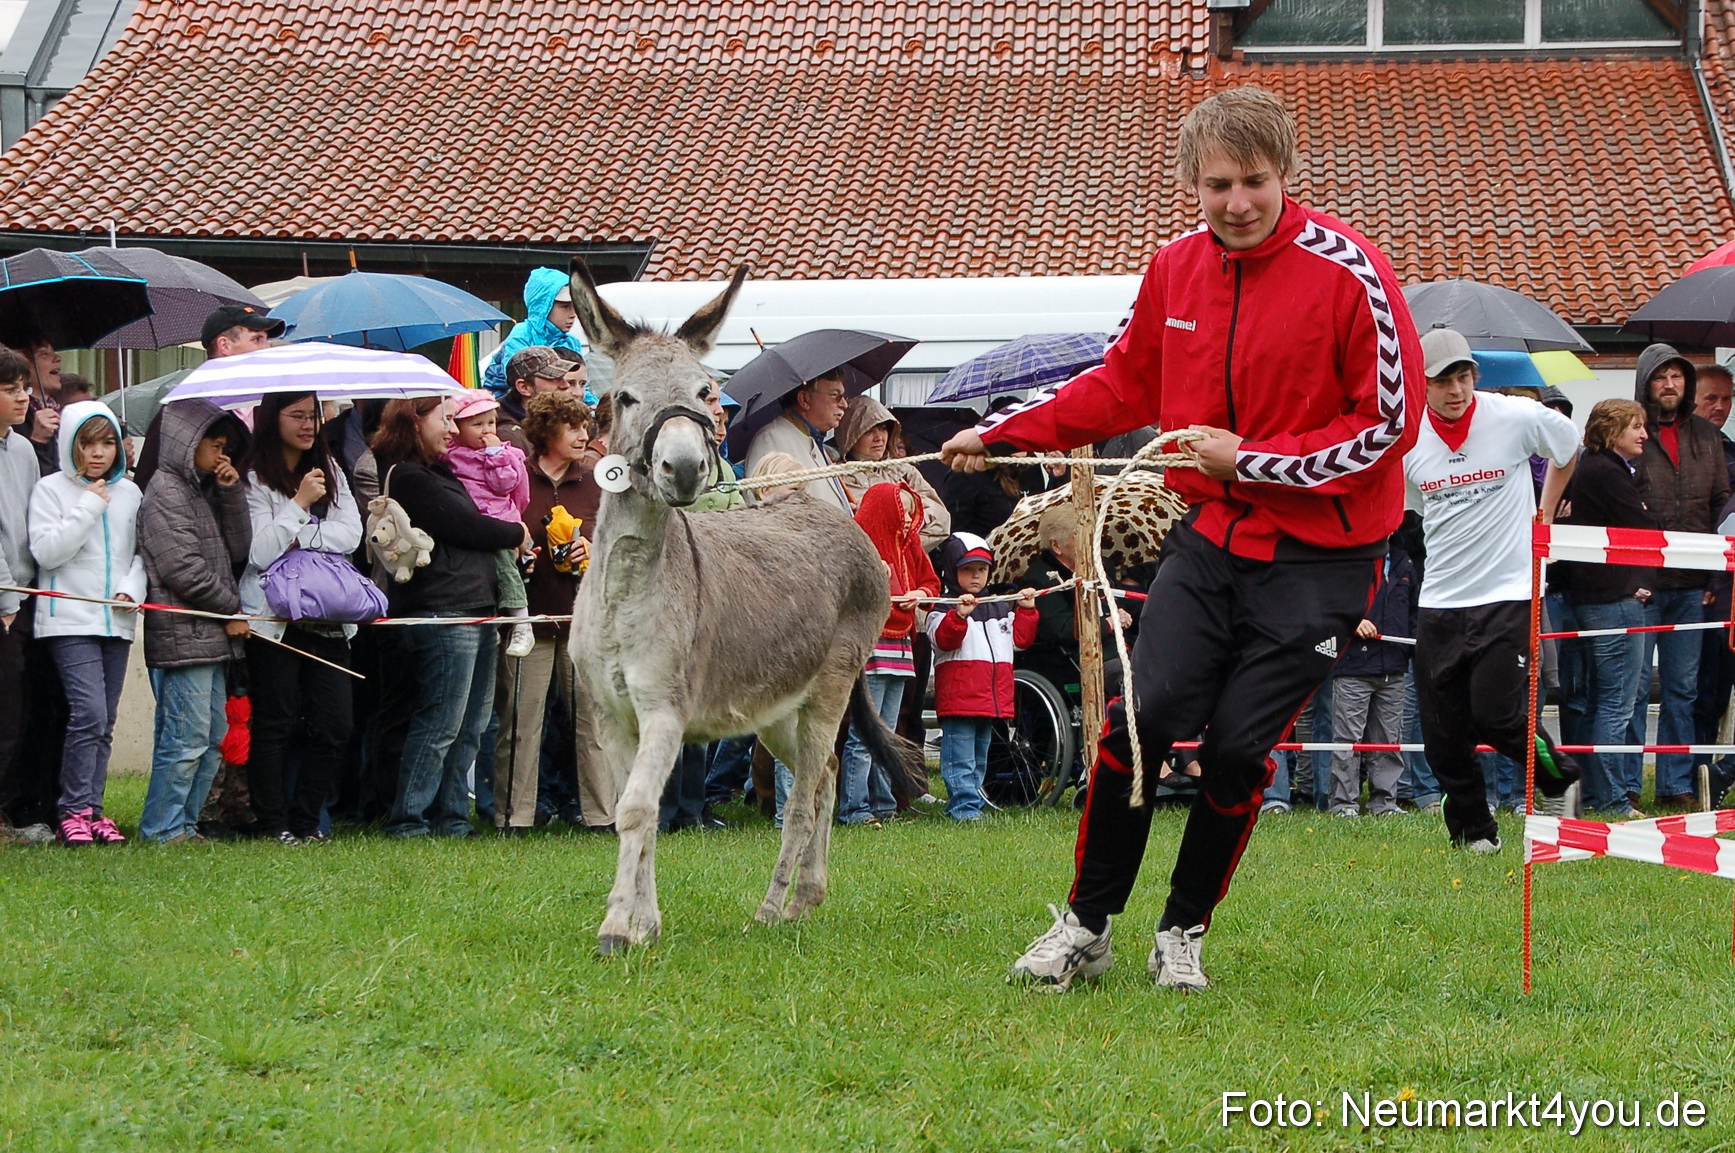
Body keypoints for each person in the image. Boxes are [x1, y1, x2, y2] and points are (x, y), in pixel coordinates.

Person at [940, 86, 1424, 992]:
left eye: (1252, 182)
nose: (1235, 203)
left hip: (1324, 556)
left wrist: (1252, 462)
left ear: (1285, 174)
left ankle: (1182, 931)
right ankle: (1085, 924)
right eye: (1216, 186)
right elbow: (1120, 384)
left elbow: (1389, 426)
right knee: (1140, 717)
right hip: (1207, 536)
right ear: (1190, 185)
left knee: (1239, 749)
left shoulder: (1352, 271)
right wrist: (1005, 433)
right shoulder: (1173, 269)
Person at [1405, 328, 1582, 847]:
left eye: (1463, 377)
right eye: (1442, 381)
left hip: (1509, 592)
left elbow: (1567, 447)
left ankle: (1557, 779)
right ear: (1422, 385)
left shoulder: (1514, 415)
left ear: (1475, 377)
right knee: (1441, 734)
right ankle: (1474, 832)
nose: (1456, 389)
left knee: (1497, 715)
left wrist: (1543, 511)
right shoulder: (1408, 437)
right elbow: (1414, 507)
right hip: (1439, 599)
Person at [372, 397, 529, 838]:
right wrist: (516, 531)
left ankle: (452, 817)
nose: (450, 429)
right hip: (442, 608)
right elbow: (464, 526)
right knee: (441, 721)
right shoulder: (408, 475)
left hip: (477, 606)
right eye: (443, 419)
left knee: (472, 725)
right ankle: (409, 819)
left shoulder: (439, 471)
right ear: (414, 422)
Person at [240, 392, 366, 845]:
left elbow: (350, 534)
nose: (309, 424)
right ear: (273, 420)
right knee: (275, 721)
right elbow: (259, 552)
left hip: (327, 615)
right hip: (274, 619)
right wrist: (299, 503)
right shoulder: (254, 478)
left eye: (313, 414)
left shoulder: (330, 470)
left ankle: (307, 819)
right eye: (296, 416)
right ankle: (272, 823)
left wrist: (301, 533)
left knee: (335, 725)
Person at [137, 400, 253, 843]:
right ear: (188, 443)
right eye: (215, 445)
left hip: (210, 635)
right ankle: (162, 830)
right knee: (184, 740)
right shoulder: (165, 490)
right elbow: (181, 568)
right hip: (183, 636)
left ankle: (184, 825)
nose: (222, 455)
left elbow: (238, 549)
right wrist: (232, 610)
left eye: (226, 447)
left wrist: (230, 491)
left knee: (212, 738)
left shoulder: (202, 490)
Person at [28, 403, 143, 845]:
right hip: (68, 620)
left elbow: (139, 554)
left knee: (105, 719)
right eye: (88, 444)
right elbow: (47, 553)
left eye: (107, 442)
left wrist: (132, 590)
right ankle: (72, 809)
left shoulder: (132, 493)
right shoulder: (50, 490)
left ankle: (95, 811)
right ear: (71, 446)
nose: (98, 454)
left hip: (116, 620)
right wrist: (88, 507)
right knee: (88, 713)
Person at [1628, 344, 1730, 809]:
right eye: (1660, 377)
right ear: (1646, 382)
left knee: (1682, 691)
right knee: (1631, 692)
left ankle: (1675, 785)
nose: (1669, 385)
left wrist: (1715, 574)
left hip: (1694, 585)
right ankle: (1626, 784)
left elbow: (1719, 507)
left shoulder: (1707, 437)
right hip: (1640, 586)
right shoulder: (1630, 433)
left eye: (1677, 376)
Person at [491, 391, 596, 835]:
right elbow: (497, 533)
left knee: (594, 722)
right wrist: (519, 555)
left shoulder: (596, 481)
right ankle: (514, 816)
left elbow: (621, 543)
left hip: (584, 620)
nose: (583, 435)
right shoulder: (517, 477)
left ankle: (601, 814)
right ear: (546, 431)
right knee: (520, 721)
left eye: (585, 426)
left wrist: (593, 548)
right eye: (572, 426)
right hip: (528, 619)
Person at [1556, 399, 1657, 818]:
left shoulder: (1594, 470)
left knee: (1600, 701)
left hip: (1594, 598)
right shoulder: (1605, 472)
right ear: (1612, 429)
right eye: (1636, 426)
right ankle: (1613, 798)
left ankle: (1598, 794)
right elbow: (1644, 526)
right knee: (1618, 700)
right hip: (1611, 601)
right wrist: (1646, 516)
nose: (1644, 435)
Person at [837, 482, 939, 826]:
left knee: (889, 729)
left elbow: (932, 583)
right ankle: (855, 808)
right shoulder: (858, 543)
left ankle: (884, 804)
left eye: (912, 512)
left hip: (902, 643)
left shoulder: (909, 543)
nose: (910, 519)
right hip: (873, 642)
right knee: (865, 731)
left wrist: (918, 593)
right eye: (903, 511)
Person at [928, 533, 1038, 820]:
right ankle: (963, 806)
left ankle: (973, 800)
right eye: (967, 570)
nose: (976, 576)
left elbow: (1020, 641)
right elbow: (943, 640)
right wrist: (959, 616)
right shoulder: (943, 605)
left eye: (981, 569)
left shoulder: (999, 605)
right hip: (960, 696)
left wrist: (1027, 612)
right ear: (952, 570)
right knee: (959, 756)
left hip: (990, 698)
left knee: (979, 756)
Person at [1324, 537, 1418, 819]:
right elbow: (1327, 605)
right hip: (1353, 665)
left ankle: (1385, 803)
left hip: (1394, 666)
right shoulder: (1347, 561)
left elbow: (1414, 612)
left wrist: (1411, 648)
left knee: (1389, 741)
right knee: (1348, 740)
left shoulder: (1405, 562)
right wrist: (1351, 620)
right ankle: (1343, 804)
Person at [443, 390, 534, 658]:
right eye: (476, 424)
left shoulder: (504, 453)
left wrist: (494, 453)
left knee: (506, 570)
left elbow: (504, 483)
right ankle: (490, 623)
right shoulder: (451, 454)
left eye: (490, 423)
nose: (486, 430)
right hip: (473, 524)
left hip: (499, 521)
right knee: (482, 575)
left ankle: (521, 620)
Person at [0, 350, 40, 837]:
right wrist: (8, 603)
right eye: (11, 389)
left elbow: (31, 527)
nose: (22, 398)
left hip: (26, 599)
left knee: (20, 713)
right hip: (5, 601)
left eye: (23, 388)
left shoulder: (25, 450)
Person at [834, 395, 951, 550]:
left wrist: (903, 546)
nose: (879, 438)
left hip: (909, 566)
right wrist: (911, 507)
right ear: (851, 435)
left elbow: (942, 520)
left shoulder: (905, 470)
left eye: (883, 429)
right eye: (869, 431)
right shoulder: (838, 477)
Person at [743, 370, 851, 513]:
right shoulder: (771, 438)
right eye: (835, 395)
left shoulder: (813, 439)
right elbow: (764, 511)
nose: (844, 404)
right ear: (804, 400)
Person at [482, 269, 585, 400]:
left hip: (556, 404)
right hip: (509, 404)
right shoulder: (522, 333)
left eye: (575, 307)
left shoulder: (571, 342)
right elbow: (519, 379)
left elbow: (579, 382)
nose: (573, 314)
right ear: (543, 306)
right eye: (565, 307)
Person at [496, 346, 575, 456]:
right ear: (524, 387)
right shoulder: (510, 436)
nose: (566, 385)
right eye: (553, 378)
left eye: (563, 376)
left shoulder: (554, 421)